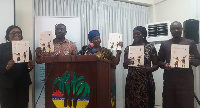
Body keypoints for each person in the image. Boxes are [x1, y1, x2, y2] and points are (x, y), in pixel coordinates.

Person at [158, 21, 200, 108]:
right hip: (169, 81)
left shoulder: (190, 43)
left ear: (182, 29)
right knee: (169, 104)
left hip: (186, 81)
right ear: (170, 30)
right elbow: (159, 61)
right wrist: (165, 65)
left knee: (186, 104)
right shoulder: (164, 44)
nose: (176, 30)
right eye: (173, 29)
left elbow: (198, 61)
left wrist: (192, 60)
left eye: (178, 28)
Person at [123, 26, 159, 108]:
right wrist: (126, 63)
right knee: (132, 103)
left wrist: (147, 69)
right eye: (134, 34)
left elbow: (156, 65)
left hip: (145, 81)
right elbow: (125, 66)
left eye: (138, 34)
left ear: (143, 35)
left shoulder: (150, 47)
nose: (135, 36)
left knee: (145, 103)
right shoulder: (129, 48)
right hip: (132, 81)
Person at [0, 25, 34, 108]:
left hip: (23, 84)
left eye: (18, 32)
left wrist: (30, 67)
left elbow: (28, 67)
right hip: (7, 84)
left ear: (21, 35)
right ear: (8, 35)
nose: (16, 34)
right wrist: (6, 67)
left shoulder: (26, 47)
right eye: (13, 32)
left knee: (22, 105)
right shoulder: (1, 47)